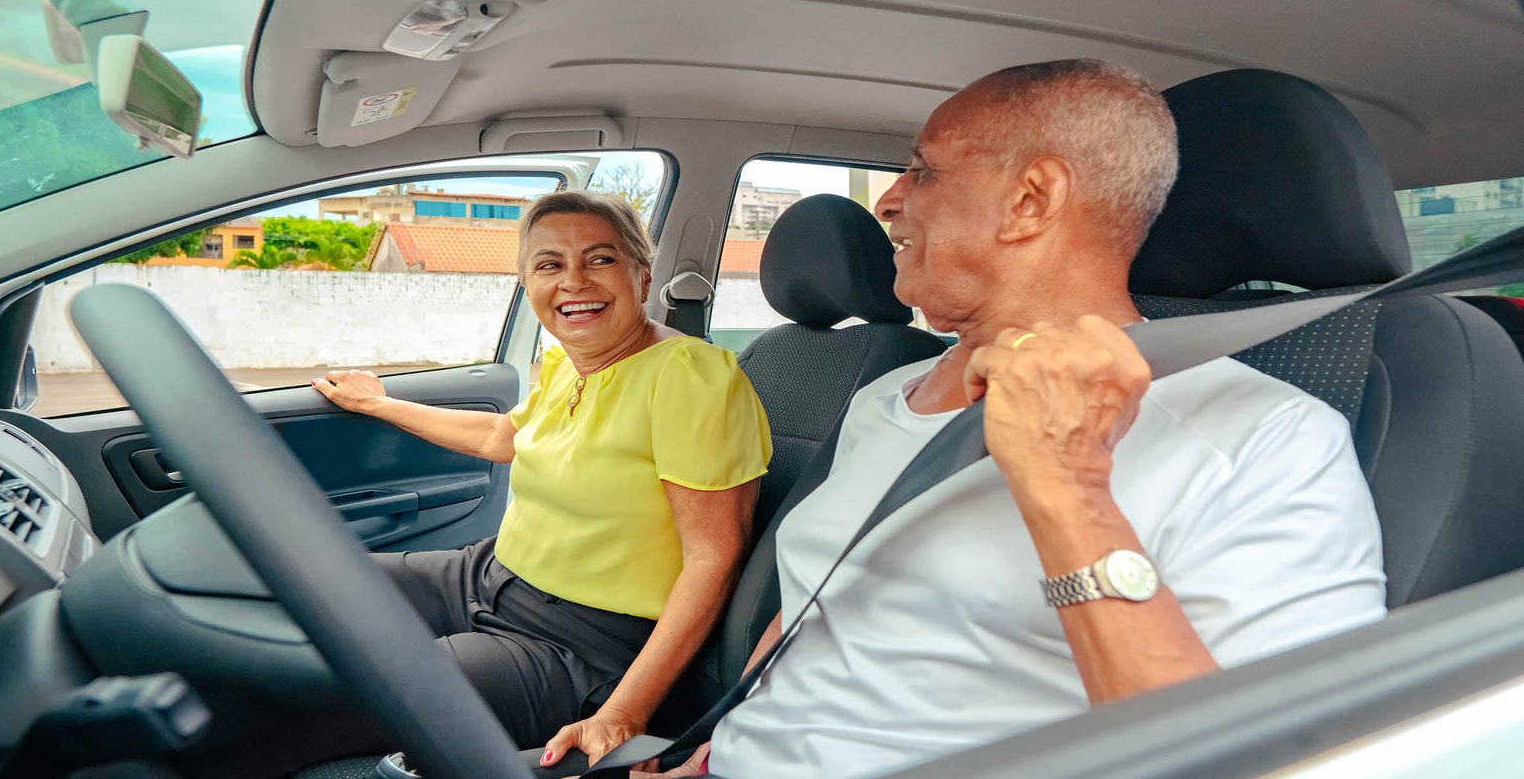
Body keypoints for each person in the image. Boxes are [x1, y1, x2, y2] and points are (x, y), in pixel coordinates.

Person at [625, 59, 1387, 778]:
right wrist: (717, 743)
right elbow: (822, 601)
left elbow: (1277, 758)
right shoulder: (887, 397)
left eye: (922, 168)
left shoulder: (1266, 435)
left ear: (1031, 200)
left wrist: (1069, 490)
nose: (889, 201)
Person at [312, 191, 772, 765]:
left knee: (345, 689)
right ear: (528, 284)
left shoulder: (690, 378)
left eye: (600, 260)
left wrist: (623, 713)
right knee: (316, 583)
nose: (573, 281)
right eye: (549, 265)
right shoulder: (567, 360)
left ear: (643, 274)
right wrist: (379, 404)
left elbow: (713, 557)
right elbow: (498, 437)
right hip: (487, 575)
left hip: (582, 642)